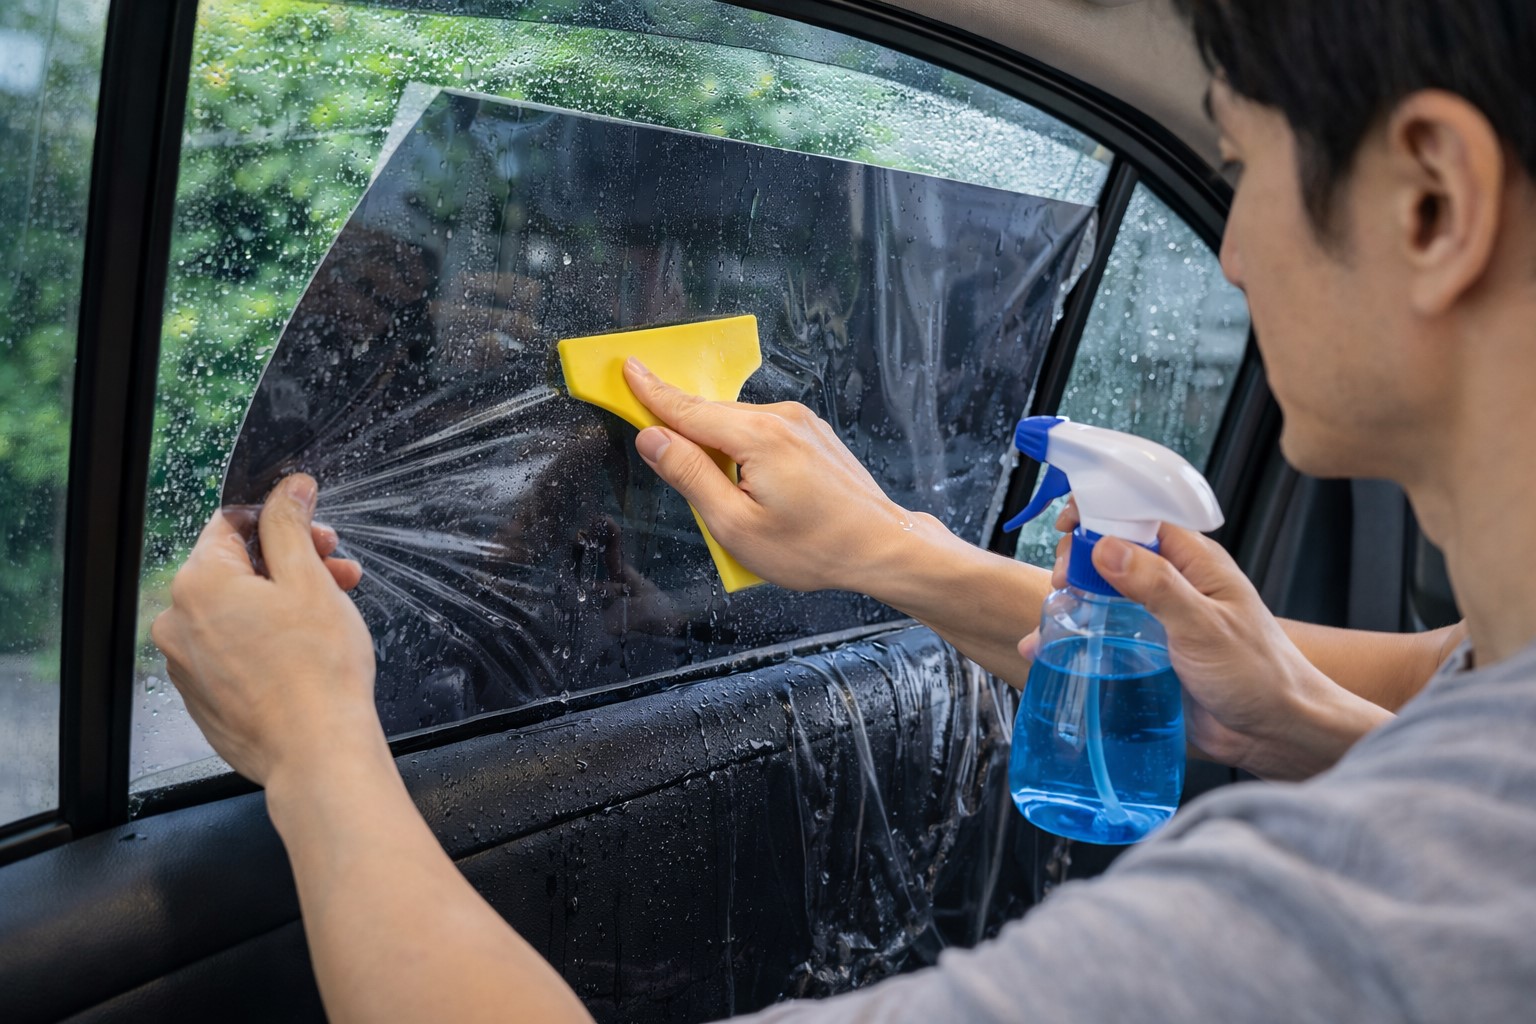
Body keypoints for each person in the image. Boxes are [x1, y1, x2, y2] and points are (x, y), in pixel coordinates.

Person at [150, 0, 1536, 1020]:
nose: (1230, 248)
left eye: (1239, 171)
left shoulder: (1377, 908)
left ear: (1431, 201)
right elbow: (1440, 688)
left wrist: (319, 745)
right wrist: (896, 554)